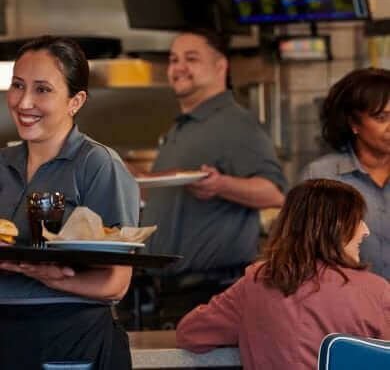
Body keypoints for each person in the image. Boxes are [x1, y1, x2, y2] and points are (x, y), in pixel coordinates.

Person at [0, 36, 140, 370]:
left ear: (75, 101)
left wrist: (52, 278)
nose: (24, 101)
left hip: (71, 335)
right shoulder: (2, 163)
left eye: (43, 89)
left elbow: (116, 284)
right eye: (18, 85)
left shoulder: (97, 164)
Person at [176, 179, 390, 370]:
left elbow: (190, 334)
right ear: (335, 228)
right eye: (358, 220)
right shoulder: (376, 291)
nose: (365, 230)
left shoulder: (256, 282)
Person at [141, 28, 286, 275]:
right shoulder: (183, 125)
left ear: (221, 67)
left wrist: (221, 185)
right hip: (167, 289)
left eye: (192, 58)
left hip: (209, 287)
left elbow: (275, 194)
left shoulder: (236, 123)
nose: (179, 67)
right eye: (174, 60)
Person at [300, 67, 390, 278]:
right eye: (381, 117)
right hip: (348, 305)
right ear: (353, 123)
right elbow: (302, 252)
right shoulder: (321, 176)